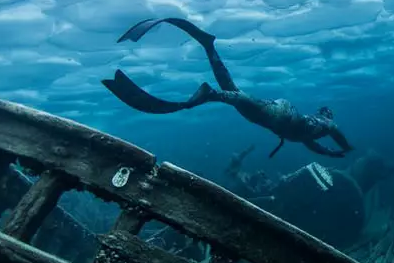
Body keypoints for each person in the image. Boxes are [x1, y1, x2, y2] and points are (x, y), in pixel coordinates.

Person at [102, 17, 355, 159]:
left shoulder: (311, 134)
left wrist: (332, 154)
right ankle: (211, 95)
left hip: (273, 118)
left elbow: (309, 143)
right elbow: (337, 133)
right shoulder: (326, 124)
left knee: (234, 91)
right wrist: (345, 147)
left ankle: (207, 45)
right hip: (280, 115)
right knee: (237, 97)